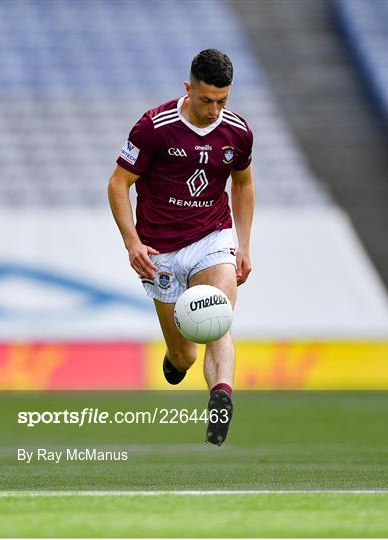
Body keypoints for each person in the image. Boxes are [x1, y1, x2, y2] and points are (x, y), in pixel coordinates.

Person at [108, 49, 254, 446]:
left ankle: (221, 397)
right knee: (185, 356)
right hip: (162, 252)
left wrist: (242, 245)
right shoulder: (154, 127)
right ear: (188, 89)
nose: (214, 110)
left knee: (217, 314)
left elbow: (242, 184)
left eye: (222, 101)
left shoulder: (238, 132)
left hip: (212, 237)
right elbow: (118, 184)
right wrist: (132, 243)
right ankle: (175, 361)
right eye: (206, 100)